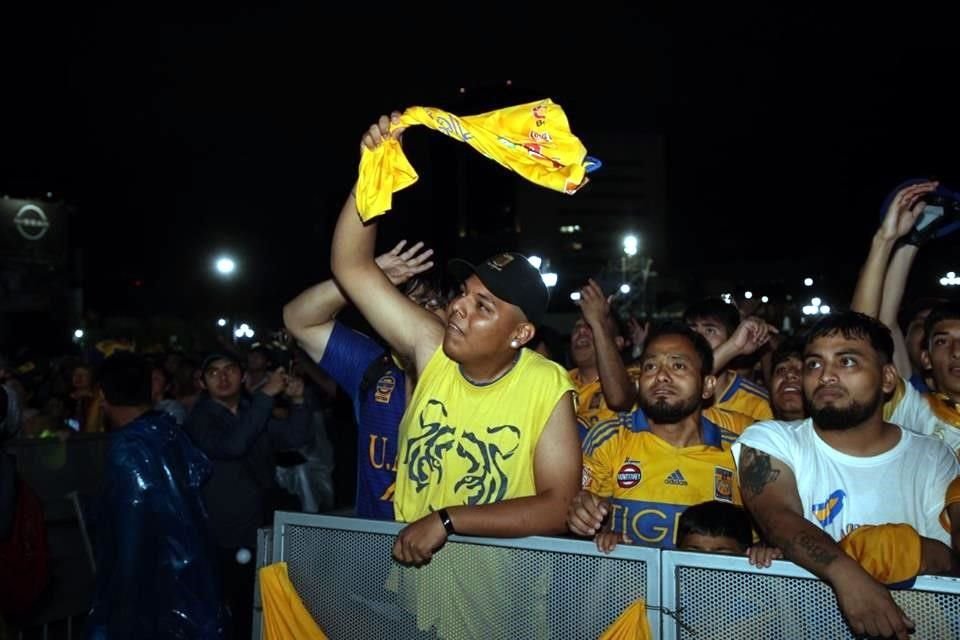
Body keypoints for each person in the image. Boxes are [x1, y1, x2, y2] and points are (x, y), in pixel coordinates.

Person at [330, 112, 580, 566]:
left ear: (521, 334)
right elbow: (352, 268)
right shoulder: (431, 349)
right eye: (464, 294)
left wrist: (448, 521)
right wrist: (372, 174)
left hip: (501, 600)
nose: (459, 307)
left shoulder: (546, 384)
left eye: (483, 306)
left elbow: (558, 506)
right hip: (412, 583)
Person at [733, 312, 959, 640]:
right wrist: (848, 576)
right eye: (814, 364)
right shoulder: (770, 439)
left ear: (886, 378)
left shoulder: (932, 456)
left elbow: (945, 557)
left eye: (847, 362)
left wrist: (895, 549)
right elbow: (778, 517)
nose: (825, 376)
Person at [283, 240, 438, 519]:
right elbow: (298, 319)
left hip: (452, 547)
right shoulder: (372, 365)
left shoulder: (479, 375)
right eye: (402, 301)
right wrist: (365, 277)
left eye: (429, 303)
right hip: (374, 542)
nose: (411, 314)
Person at [86, 352, 226, 639]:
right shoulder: (168, 431)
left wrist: (116, 618)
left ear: (101, 394)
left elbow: (130, 543)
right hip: (195, 589)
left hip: (159, 603)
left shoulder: (128, 450)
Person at [566, 323, 742, 551]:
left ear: (708, 386)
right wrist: (585, 516)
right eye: (650, 367)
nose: (660, 376)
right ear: (639, 382)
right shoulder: (609, 438)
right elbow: (583, 517)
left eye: (678, 365)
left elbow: (755, 546)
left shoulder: (738, 452)